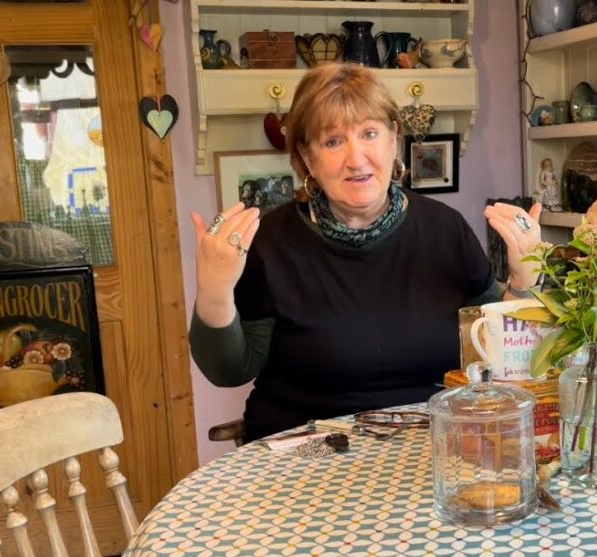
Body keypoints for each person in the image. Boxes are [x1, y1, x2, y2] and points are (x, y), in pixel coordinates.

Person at [189, 63, 546, 441]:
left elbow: (495, 351)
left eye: (369, 133)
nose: (356, 159)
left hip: (430, 446)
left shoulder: (445, 229)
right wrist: (214, 290)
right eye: (333, 142)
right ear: (307, 158)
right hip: (309, 452)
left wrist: (524, 280)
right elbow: (230, 371)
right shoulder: (271, 243)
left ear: (394, 139)